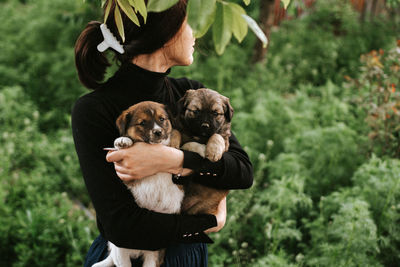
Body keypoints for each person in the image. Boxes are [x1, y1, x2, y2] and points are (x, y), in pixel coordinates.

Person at [72, 0, 253, 266]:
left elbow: (242, 170)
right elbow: (122, 227)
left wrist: (173, 160)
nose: (196, 33)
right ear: (164, 31)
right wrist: (205, 222)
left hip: (185, 257)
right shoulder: (94, 110)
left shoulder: (189, 94)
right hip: (123, 256)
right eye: (190, 23)